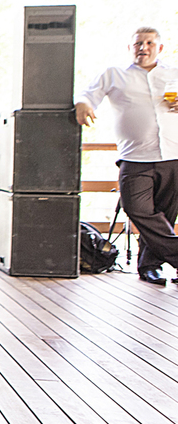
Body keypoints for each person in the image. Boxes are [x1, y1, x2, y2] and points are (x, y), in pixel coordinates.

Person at [76, 27, 178, 286]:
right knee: (137, 209)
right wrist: (84, 103)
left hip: (173, 155)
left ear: (160, 48)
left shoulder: (174, 74)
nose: (143, 47)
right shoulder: (115, 75)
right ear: (130, 48)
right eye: (138, 43)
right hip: (135, 157)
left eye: (149, 43)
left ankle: (149, 267)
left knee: (164, 215)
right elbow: (88, 94)